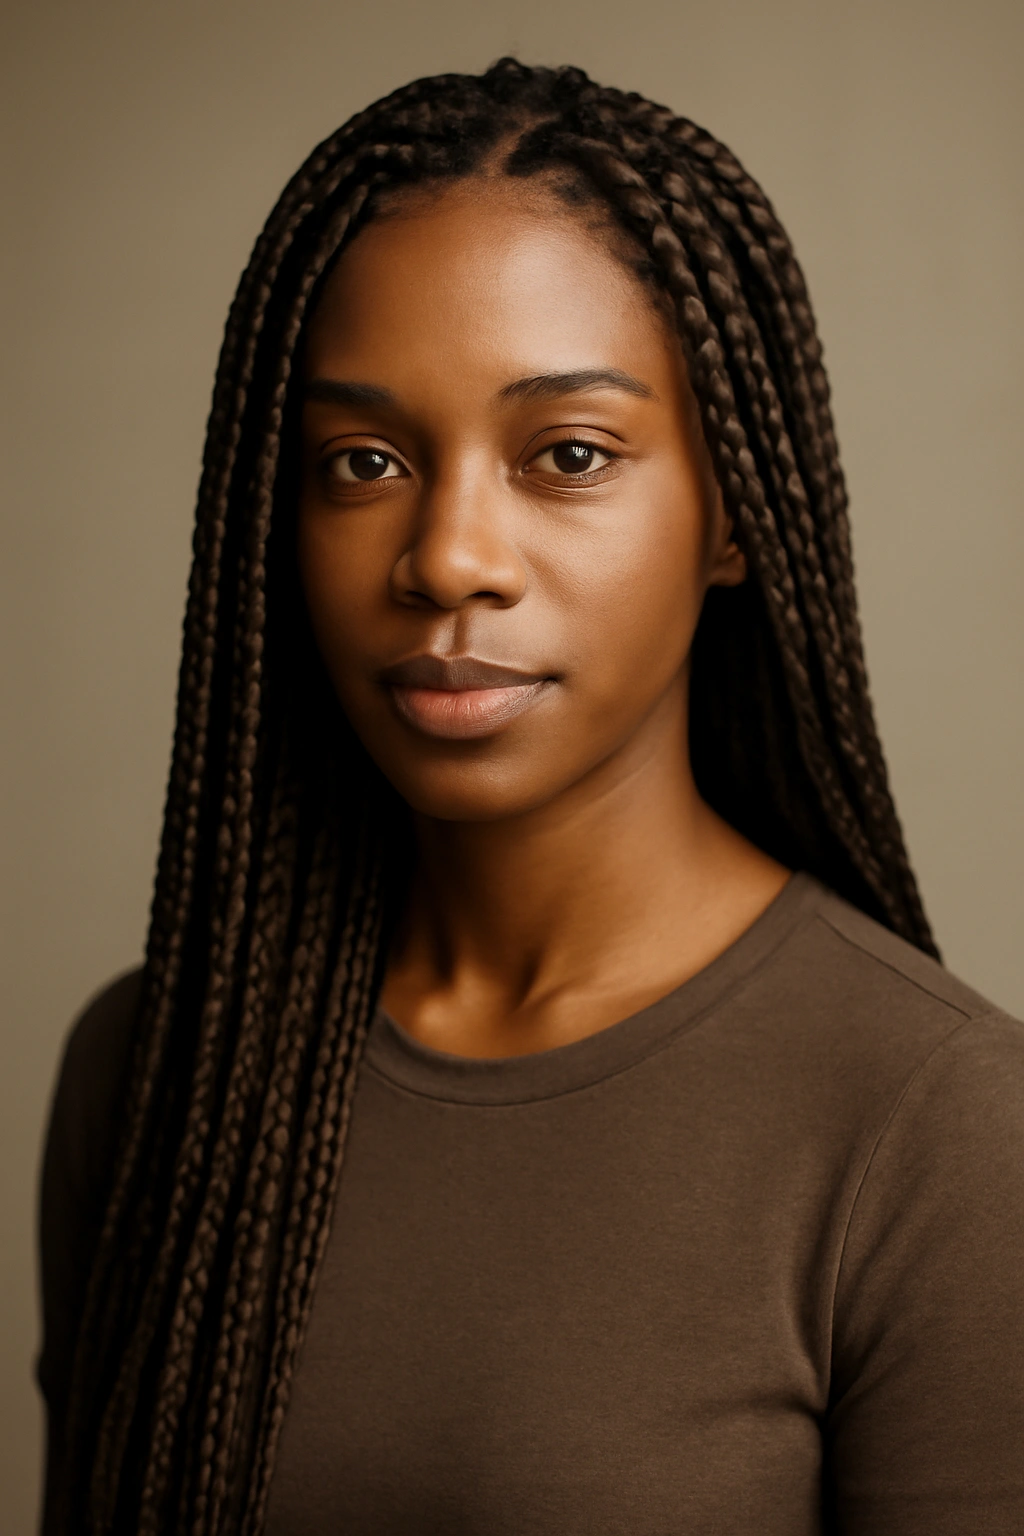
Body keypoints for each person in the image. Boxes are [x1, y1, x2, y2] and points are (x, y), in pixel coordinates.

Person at [37, 57, 1024, 1536]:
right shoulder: (162, 1068)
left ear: (735, 513)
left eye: (568, 454)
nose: (445, 558)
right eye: (360, 461)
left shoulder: (941, 1132)